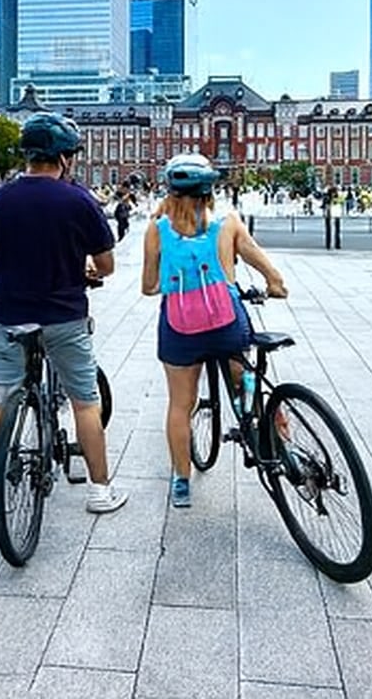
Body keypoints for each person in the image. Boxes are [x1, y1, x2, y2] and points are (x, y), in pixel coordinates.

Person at [0, 112, 127, 519]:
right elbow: (105, 264)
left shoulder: (1, 197)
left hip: (10, 316)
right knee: (85, 402)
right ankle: (100, 491)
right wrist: (87, 270)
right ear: (65, 158)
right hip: (64, 316)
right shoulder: (78, 200)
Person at [141, 154, 288, 508]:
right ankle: (257, 410)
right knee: (242, 373)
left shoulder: (157, 228)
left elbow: (148, 286)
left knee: (180, 404)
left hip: (180, 329)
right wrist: (274, 284)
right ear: (210, 191)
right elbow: (265, 267)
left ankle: (181, 480)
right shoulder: (228, 222)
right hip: (226, 323)